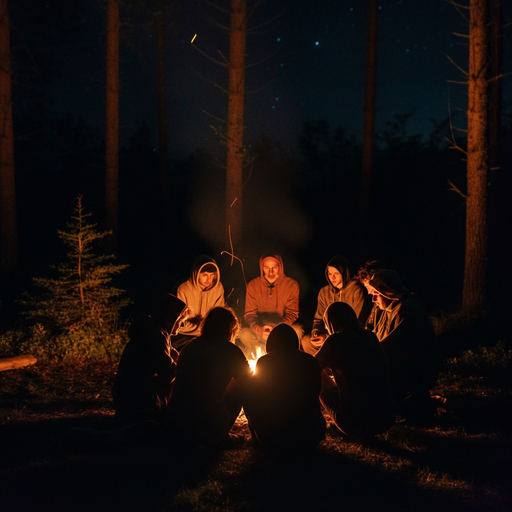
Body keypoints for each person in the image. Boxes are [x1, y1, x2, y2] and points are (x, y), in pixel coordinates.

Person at [165, 306, 252, 448]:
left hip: (176, 424)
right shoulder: (231, 351)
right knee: (242, 385)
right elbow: (248, 381)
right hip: (208, 428)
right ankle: (222, 434)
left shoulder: (189, 347)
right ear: (231, 330)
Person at [365, 269, 441, 419]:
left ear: (387, 292)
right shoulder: (389, 308)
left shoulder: (405, 309)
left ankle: (402, 404)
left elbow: (389, 348)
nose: (373, 300)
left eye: (376, 294)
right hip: (403, 364)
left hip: (418, 370)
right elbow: (377, 338)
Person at [315, 302, 397, 440]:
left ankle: (331, 423)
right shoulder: (370, 337)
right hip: (386, 418)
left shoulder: (336, 341)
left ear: (330, 323)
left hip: (354, 423)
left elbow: (310, 366)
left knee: (317, 374)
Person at [244, 323, 326, 453]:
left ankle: (256, 435)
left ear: (270, 343)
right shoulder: (310, 361)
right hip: (311, 436)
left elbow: (255, 396)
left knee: (246, 388)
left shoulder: (265, 362)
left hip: (272, 437)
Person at [111, 294, 189, 426]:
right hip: (135, 396)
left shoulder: (156, 332)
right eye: (180, 320)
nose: (181, 325)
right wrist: (185, 364)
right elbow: (168, 374)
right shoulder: (155, 336)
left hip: (126, 393)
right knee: (180, 379)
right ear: (170, 318)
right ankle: (153, 413)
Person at [302, 255, 369, 356]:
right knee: (306, 341)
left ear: (344, 273)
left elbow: (356, 323)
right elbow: (318, 319)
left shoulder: (355, 290)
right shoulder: (324, 292)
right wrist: (316, 332)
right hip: (327, 339)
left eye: (336, 273)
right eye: (329, 273)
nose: (332, 277)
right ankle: (324, 370)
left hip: (348, 339)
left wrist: (327, 336)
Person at [239, 252, 301, 359]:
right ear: (262, 268)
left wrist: (279, 329)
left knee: (298, 331)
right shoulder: (253, 286)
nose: (271, 272)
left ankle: (283, 357)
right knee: (243, 333)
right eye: (267, 268)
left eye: (274, 267)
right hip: (261, 330)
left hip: (282, 328)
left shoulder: (291, 285)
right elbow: (249, 314)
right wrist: (259, 329)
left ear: (280, 267)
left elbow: (293, 313)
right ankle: (260, 357)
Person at [172, 254, 225, 351]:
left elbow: (219, 316)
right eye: (205, 275)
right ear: (196, 273)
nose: (209, 279)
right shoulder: (183, 289)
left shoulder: (218, 289)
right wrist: (201, 327)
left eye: (212, 275)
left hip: (208, 335)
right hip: (184, 337)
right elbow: (178, 323)